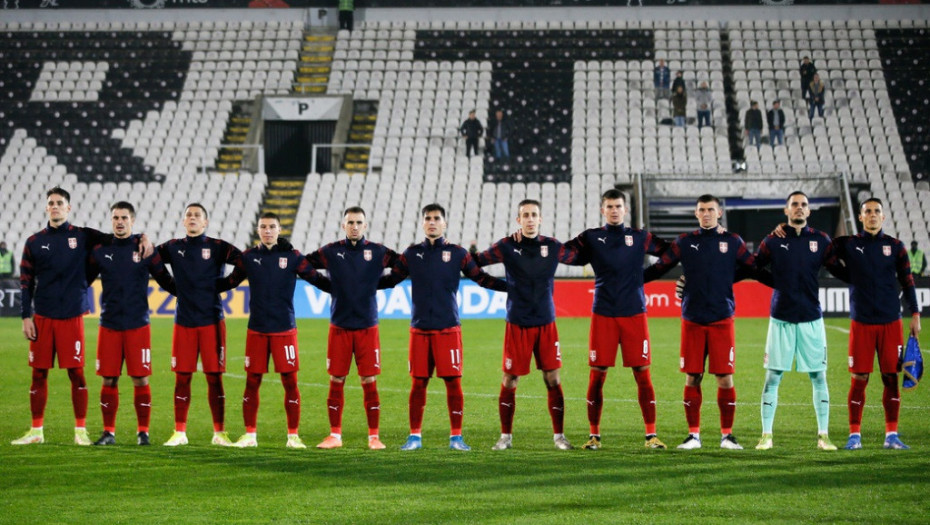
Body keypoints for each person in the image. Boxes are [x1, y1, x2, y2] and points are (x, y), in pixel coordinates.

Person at [13, 187, 151, 446]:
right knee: (38, 374)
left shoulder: (84, 235)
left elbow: (119, 237)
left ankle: (80, 431)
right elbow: (25, 281)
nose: (55, 206)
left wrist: (143, 237)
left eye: (60, 203)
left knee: (76, 374)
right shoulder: (33, 242)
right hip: (42, 316)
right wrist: (25, 316)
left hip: (72, 315)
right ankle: (36, 430)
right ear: (46, 208)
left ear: (69, 208)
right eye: (51, 203)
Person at [379, 204, 507, 451]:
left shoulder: (458, 253)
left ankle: (456, 437)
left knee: (453, 383)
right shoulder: (412, 254)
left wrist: (511, 287)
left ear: (444, 223)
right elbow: (391, 279)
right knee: (418, 384)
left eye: (436, 218)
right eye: (428, 218)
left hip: (448, 329)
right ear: (422, 223)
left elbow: (481, 278)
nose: (432, 222)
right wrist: (358, 284)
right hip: (419, 330)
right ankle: (414, 437)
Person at [644, 195, 755, 450]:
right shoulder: (684, 241)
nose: (706, 214)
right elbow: (660, 267)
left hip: (721, 319)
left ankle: (727, 436)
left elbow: (753, 266)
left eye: (711, 210)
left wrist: (727, 277)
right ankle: (693, 436)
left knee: (724, 378)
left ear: (719, 213)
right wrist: (631, 280)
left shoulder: (732, 241)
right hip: (692, 319)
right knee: (692, 377)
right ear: (696, 214)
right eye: (702, 210)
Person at [562, 189, 670, 450]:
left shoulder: (640, 237)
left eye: (618, 206)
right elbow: (562, 253)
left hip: (635, 314)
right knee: (597, 375)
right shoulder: (591, 237)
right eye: (609, 206)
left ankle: (651, 435)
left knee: (642, 374)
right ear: (603, 210)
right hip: (604, 315)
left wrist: (646, 276)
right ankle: (594, 436)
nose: (614, 210)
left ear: (625, 210)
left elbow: (672, 252)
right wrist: (530, 242)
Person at [218, 213, 331, 449]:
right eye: (263, 227)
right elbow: (230, 282)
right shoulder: (249, 257)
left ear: (279, 230)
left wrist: (345, 289)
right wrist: (198, 289)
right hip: (257, 330)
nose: (267, 230)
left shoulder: (292, 257)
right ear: (258, 230)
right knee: (252, 381)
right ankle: (250, 435)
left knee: (290, 381)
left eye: (272, 227)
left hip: (284, 329)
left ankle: (293, 436)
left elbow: (317, 279)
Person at [475, 199, 581, 451]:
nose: (530, 219)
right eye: (526, 215)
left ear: (540, 219)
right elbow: (473, 262)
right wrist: (502, 286)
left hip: (546, 322)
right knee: (510, 378)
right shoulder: (506, 246)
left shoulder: (553, 247)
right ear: (518, 220)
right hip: (518, 322)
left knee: (552, 377)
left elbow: (581, 257)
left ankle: (559, 437)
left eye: (534, 214)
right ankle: (505, 437)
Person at [752, 192, 847, 451]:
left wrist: (864, 275)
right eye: (794, 204)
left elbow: (837, 268)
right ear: (786, 210)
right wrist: (776, 282)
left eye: (804, 204)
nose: (799, 208)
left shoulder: (821, 240)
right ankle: (766, 435)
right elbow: (754, 266)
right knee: (773, 377)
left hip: (811, 318)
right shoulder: (772, 240)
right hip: (781, 317)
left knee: (819, 376)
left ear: (809, 211)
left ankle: (824, 436)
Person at [829, 198, 921, 450]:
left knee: (891, 378)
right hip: (861, 322)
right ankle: (854, 436)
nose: (872, 215)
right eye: (867, 211)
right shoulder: (848, 244)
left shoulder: (896, 246)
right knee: (859, 378)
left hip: (891, 322)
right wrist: (846, 275)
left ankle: (891, 435)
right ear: (860, 217)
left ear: (883, 217)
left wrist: (915, 314)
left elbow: (908, 281)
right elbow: (823, 253)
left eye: (876, 211)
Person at [306, 206, 399, 450]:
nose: (354, 226)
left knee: (369, 379)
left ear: (365, 225)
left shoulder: (378, 251)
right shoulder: (331, 251)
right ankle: (334, 436)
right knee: (337, 378)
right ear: (343, 225)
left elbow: (405, 265)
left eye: (358, 222)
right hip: (340, 326)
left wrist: (380, 283)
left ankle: (374, 437)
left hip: (368, 326)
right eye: (350, 222)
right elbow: (302, 265)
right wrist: (327, 285)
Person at [86, 201, 176, 446]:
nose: (120, 222)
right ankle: (108, 432)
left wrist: (191, 294)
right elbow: (82, 280)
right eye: (115, 218)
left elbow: (166, 280)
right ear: (111, 220)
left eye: (124, 218)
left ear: (132, 220)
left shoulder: (145, 250)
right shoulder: (100, 251)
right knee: (108, 379)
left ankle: (143, 432)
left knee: (140, 379)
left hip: (138, 325)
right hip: (109, 324)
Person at [157, 203, 242, 447]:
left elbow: (245, 261)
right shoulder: (173, 247)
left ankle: (220, 433)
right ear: (183, 221)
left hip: (212, 321)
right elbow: (150, 259)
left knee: (214, 377)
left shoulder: (218, 247)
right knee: (182, 377)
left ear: (205, 222)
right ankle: (180, 432)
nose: (192, 218)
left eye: (197, 215)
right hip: (184, 321)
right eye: (189, 215)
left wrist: (225, 284)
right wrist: (172, 286)